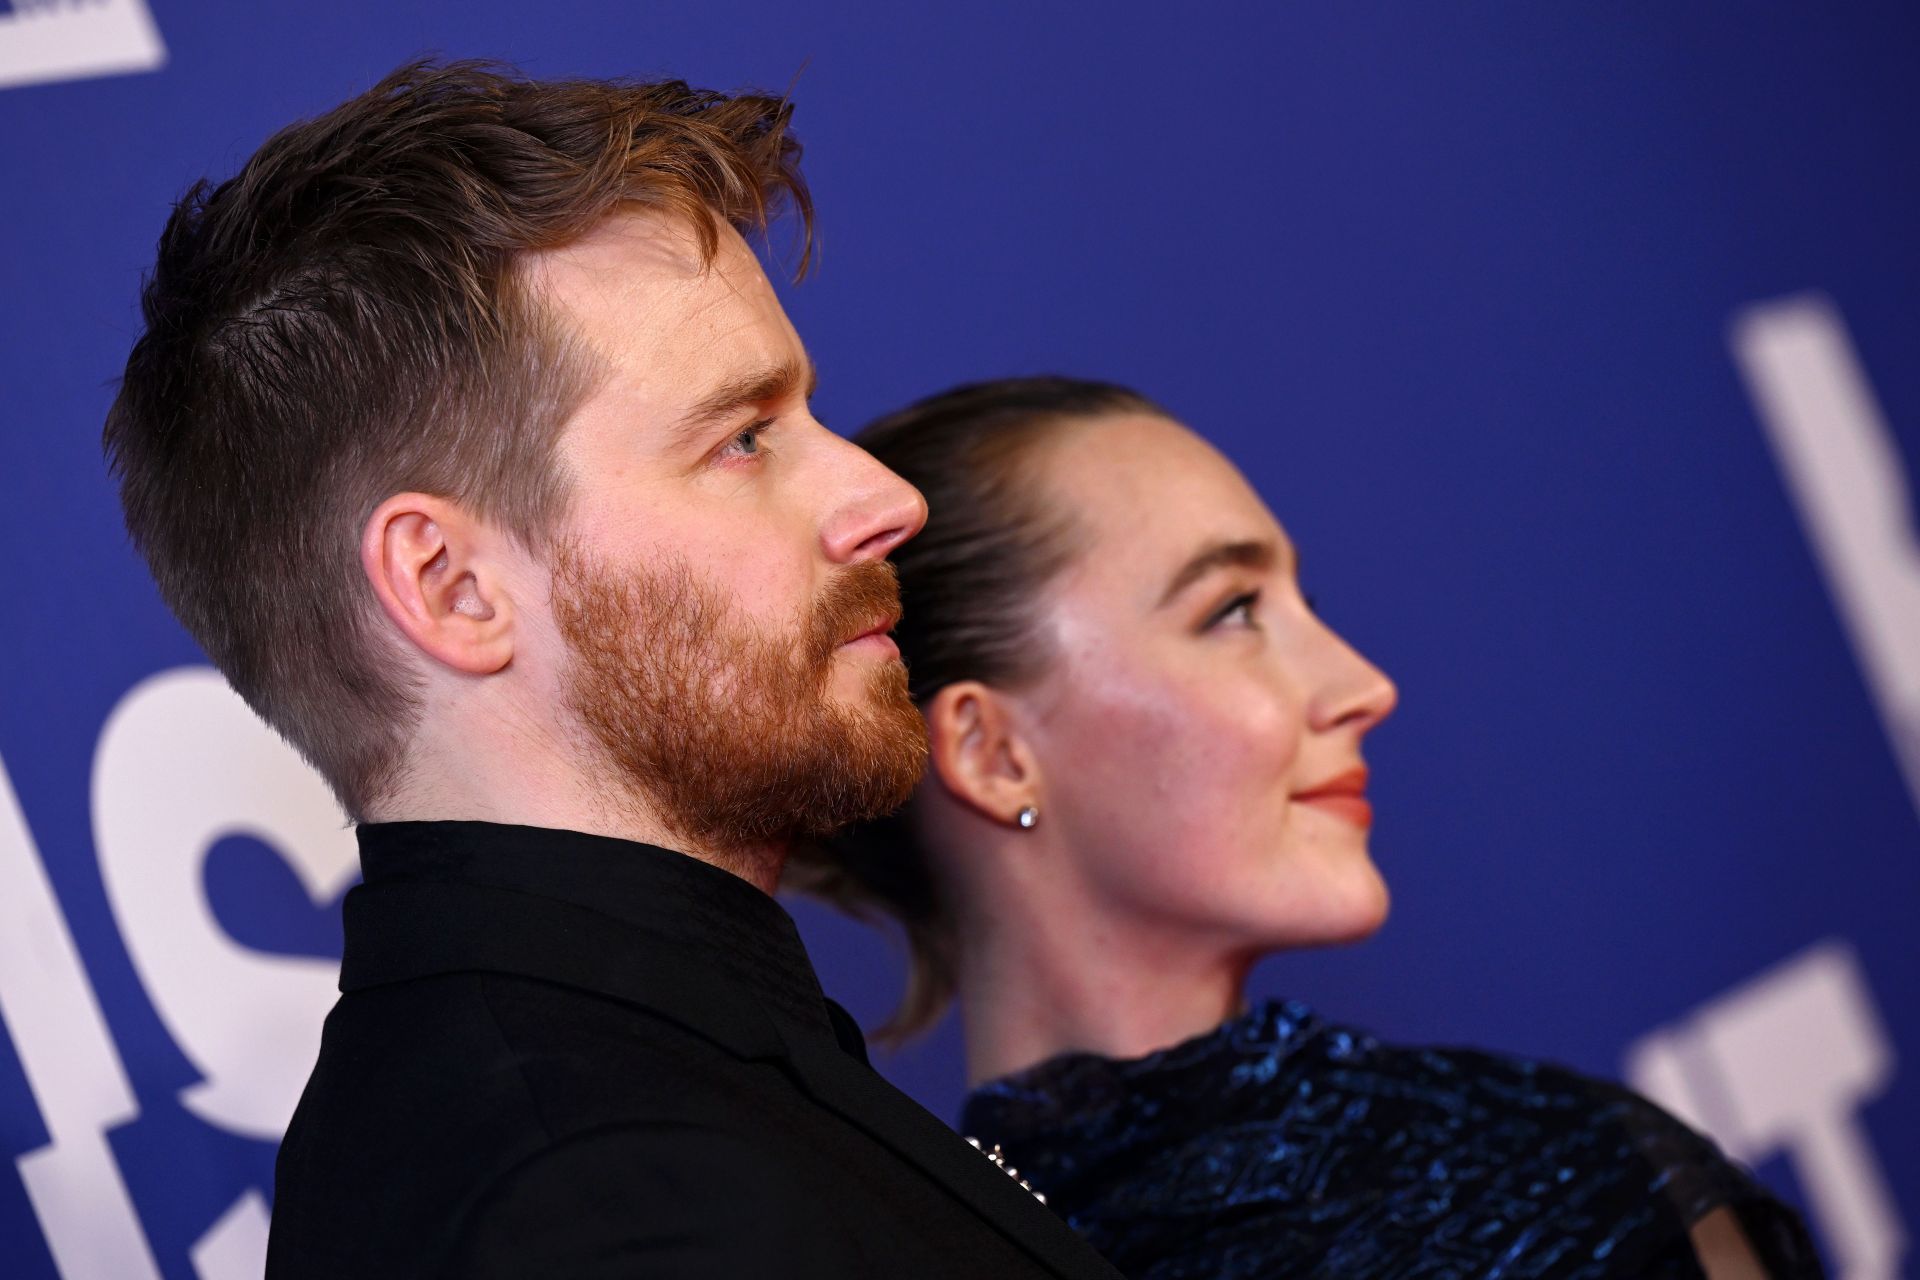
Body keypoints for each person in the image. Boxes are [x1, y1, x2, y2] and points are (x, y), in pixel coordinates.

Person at [102, 63, 1125, 1280]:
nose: (886, 497)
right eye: (742, 438)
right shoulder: (602, 1209)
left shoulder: (630, 1094)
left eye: (806, 414)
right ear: (449, 586)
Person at [789, 378, 1822, 1278]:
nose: (1364, 685)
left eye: (1302, 602)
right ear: (993, 751)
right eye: (1233, 610)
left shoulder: (1577, 1181)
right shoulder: (942, 1246)